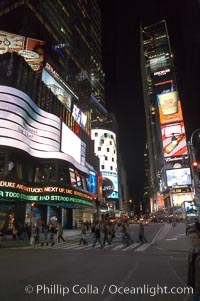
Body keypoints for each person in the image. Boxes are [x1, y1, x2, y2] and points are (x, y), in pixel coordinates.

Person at [187, 227, 200, 301]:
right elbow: (190, 270)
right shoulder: (191, 252)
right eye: (190, 237)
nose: (192, 240)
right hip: (194, 288)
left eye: (194, 237)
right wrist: (189, 283)